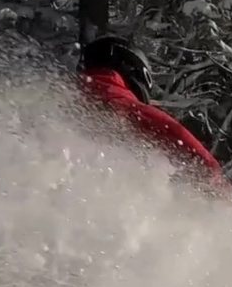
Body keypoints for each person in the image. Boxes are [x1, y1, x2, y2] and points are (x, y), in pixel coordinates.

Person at [78, 34, 223, 184]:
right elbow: (201, 160)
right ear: (134, 71)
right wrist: (215, 181)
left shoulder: (66, 91)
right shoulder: (120, 102)